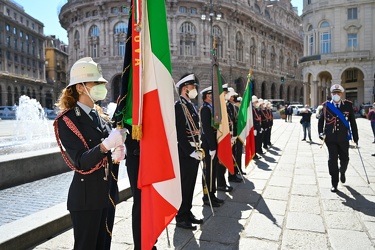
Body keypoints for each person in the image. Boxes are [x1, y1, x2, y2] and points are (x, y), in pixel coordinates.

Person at [54, 57, 127, 249]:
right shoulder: (67, 120)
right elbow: (80, 162)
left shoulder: (99, 114)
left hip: (105, 193)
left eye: (102, 82)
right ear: (80, 87)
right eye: (96, 82)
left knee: (103, 245)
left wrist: (118, 151)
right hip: (86, 198)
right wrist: (106, 146)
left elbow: (108, 148)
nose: (101, 86)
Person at [174, 74, 204, 230]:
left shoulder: (190, 105)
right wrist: (190, 151)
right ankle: (180, 216)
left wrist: (197, 149)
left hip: (194, 151)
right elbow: (179, 133)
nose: (195, 90)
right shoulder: (179, 106)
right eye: (193, 87)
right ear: (185, 88)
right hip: (185, 154)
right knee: (184, 185)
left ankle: (188, 211)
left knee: (191, 184)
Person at [318, 84, 359, 192]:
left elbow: (353, 123)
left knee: (345, 159)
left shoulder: (348, 105)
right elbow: (321, 120)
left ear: (341, 94)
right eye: (334, 93)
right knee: (332, 160)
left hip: (344, 138)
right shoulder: (326, 105)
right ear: (331, 94)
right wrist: (320, 133)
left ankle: (342, 171)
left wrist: (356, 137)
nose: (336, 95)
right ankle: (334, 182)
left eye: (338, 93)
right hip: (330, 138)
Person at [200, 86, 224, 207]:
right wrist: (212, 146)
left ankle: (212, 194)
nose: (211, 97)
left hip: (213, 143)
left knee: (213, 171)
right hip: (208, 144)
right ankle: (206, 196)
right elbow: (207, 129)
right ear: (205, 97)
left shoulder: (211, 108)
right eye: (209, 95)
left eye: (212, 95)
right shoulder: (205, 109)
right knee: (208, 171)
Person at [225, 88, 244, 182]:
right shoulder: (226, 106)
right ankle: (231, 175)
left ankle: (233, 174)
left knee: (234, 155)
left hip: (232, 135)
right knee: (230, 156)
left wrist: (235, 134)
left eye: (233, 96)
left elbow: (234, 121)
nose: (233, 98)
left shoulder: (231, 106)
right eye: (231, 96)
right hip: (227, 136)